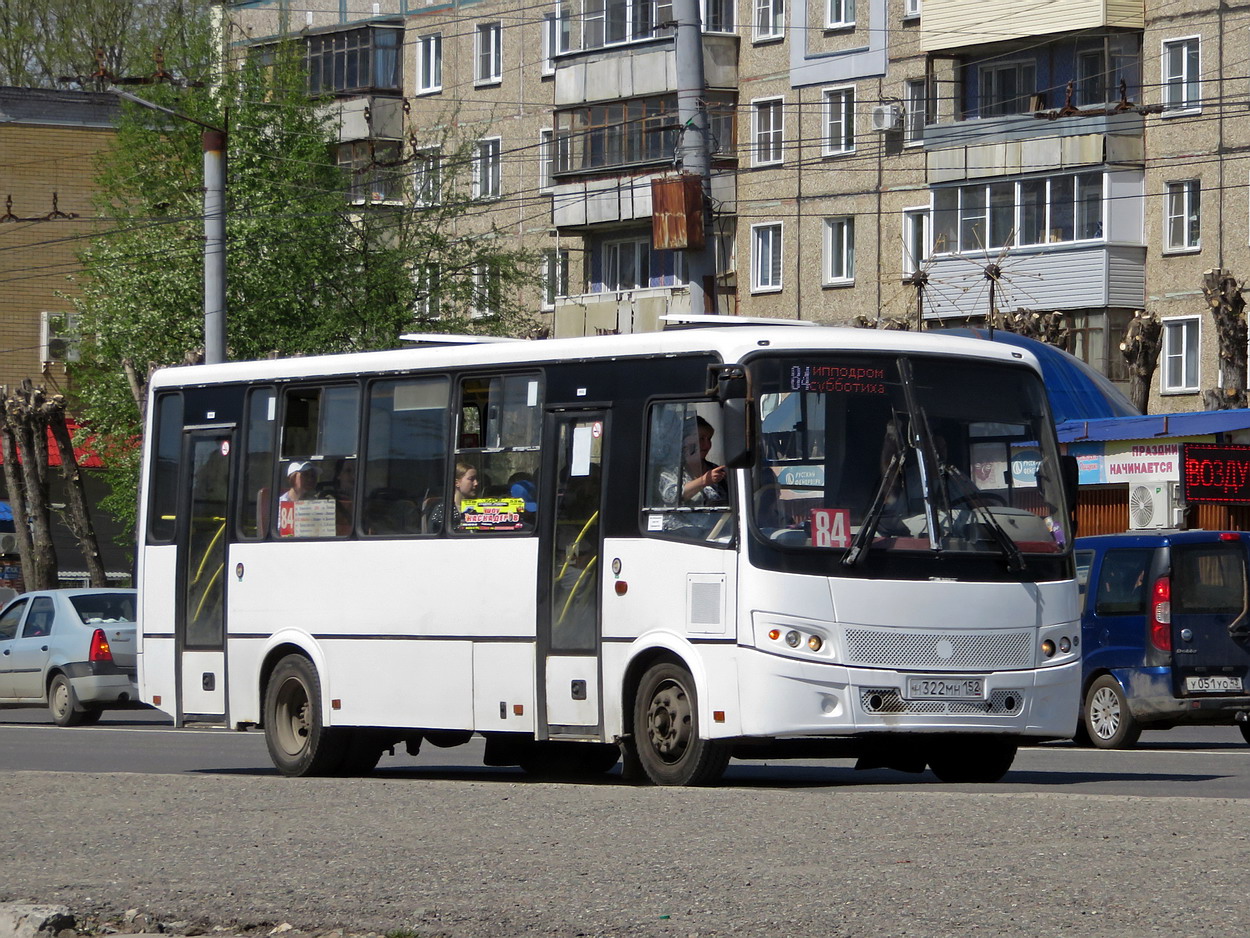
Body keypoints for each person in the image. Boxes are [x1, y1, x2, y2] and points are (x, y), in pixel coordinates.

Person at [660, 415, 727, 506]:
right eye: (701, 439)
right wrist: (704, 480)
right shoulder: (669, 471)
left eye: (709, 439)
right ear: (685, 441)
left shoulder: (717, 470)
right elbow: (672, 496)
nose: (707, 445)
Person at [428, 461, 480, 530]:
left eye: (476, 479)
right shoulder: (443, 510)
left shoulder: (481, 508)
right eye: (471, 479)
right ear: (457, 483)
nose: (476, 483)